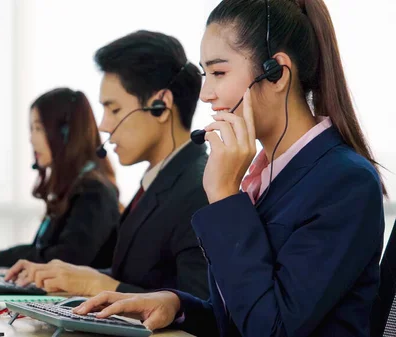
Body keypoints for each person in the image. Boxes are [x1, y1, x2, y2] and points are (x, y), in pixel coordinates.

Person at [73, 1, 386, 336]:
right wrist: (176, 306)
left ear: (276, 72)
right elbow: (244, 311)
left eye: (219, 73)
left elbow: (272, 329)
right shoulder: (266, 176)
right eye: (206, 75)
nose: (206, 94)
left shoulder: (343, 182)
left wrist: (223, 196)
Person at [4, 30, 211, 299]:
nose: (103, 125)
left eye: (114, 109)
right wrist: (76, 276)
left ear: (160, 105)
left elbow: (201, 309)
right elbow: (138, 279)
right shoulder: (158, 182)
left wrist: (99, 285)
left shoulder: (201, 188)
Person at [0, 88, 120, 268]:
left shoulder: (94, 191)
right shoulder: (71, 188)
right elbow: (44, 250)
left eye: (39, 128)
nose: (31, 139)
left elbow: (65, 259)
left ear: (67, 134)